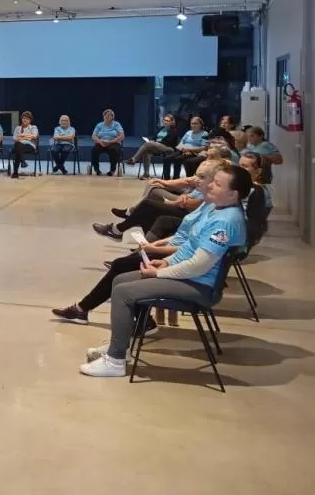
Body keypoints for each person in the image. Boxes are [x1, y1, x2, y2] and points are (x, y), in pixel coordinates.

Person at [78, 165, 259, 378]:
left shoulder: (225, 222)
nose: (210, 185)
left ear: (233, 194)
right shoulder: (215, 208)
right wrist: (165, 262)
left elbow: (198, 265)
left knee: (123, 292)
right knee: (120, 280)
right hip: (186, 274)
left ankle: (115, 361)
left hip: (197, 284)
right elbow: (188, 246)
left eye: (217, 184)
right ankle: (120, 346)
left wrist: (159, 273)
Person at [51, 158, 224, 327]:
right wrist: (156, 245)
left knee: (121, 264)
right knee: (150, 219)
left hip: (178, 261)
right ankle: (89, 309)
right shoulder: (208, 204)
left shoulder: (217, 214)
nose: (195, 180)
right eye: (197, 175)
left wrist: (159, 254)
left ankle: (127, 318)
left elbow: (193, 251)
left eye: (202, 177)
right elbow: (186, 237)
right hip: (171, 252)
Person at [91, 158, 228, 241]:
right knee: (147, 208)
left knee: (148, 205)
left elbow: (192, 204)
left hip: (188, 213)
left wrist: (171, 201)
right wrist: (171, 188)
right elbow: (188, 187)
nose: (197, 179)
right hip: (185, 205)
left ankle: (121, 226)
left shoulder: (213, 191)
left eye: (201, 177)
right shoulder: (205, 178)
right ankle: (140, 246)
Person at [126, 113, 179, 179]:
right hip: (157, 147)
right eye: (164, 120)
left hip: (168, 148)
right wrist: (153, 141)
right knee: (146, 151)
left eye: (167, 121)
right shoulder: (161, 129)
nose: (165, 122)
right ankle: (146, 174)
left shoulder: (174, 130)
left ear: (171, 122)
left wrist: (156, 142)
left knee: (149, 144)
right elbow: (154, 138)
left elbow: (169, 142)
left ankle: (134, 159)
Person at [90, 109, 124, 175]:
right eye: (105, 115)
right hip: (102, 143)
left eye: (109, 115)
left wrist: (110, 142)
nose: (107, 116)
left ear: (112, 117)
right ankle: (97, 170)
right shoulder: (99, 125)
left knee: (113, 150)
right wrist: (100, 142)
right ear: (103, 116)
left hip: (114, 143)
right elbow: (93, 136)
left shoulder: (116, 124)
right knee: (94, 150)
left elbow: (122, 136)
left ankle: (112, 170)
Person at [10, 111, 39, 179]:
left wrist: (22, 136)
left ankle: (15, 173)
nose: (25, 120)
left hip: (29, 146)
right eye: (24, 118)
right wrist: (28, 137)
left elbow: (34, 136)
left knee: (18, 148)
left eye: (27, 119)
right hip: (19, 145)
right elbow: (15, 138)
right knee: (18, 146)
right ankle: (23, 162)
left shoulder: (33, 127)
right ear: (21, 119)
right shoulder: (17, 128)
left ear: (30, 120)